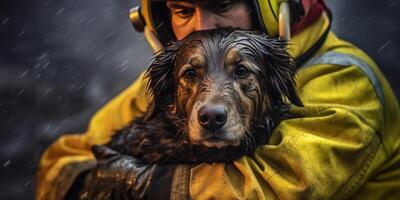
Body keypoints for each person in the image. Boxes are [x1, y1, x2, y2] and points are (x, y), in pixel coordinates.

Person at [36, 0, 400, 199]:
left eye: (222, 5)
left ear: (274, 7)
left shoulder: (345, 79)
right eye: (182, 10)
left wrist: (142, 184)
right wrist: (89, 182)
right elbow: (63, 160)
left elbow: (265, 192)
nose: (201, 28)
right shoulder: (183, 79)